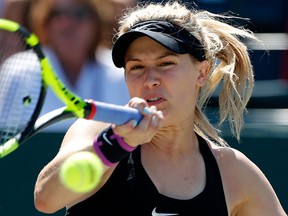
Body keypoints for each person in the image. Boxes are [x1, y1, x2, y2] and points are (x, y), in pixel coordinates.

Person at [33, 1, 286, 215]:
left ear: (202, 71)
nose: (150, 79)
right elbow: (46, 198)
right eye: (136, 67)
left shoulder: (232, 171)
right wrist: (118, 143)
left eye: (166, 63)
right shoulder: (97, 132)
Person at [27, 0, 130, 131]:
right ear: (45, 23)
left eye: (79, 14)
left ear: (96, 22)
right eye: (57, 14)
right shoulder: (19, 72)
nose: (67, 22)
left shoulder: (121, 71)